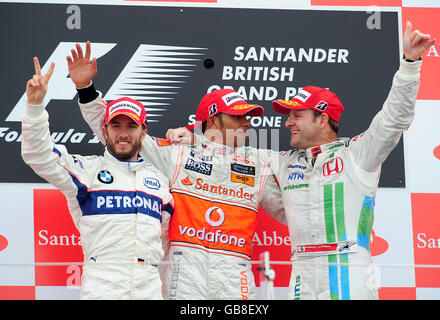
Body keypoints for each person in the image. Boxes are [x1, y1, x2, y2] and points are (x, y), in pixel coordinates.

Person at [69, 42, 286, 300]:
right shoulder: (177, 153)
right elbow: (118, 131)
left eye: (247, 117)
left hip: (235, 273)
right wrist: (86, 89)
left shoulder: (259, 162)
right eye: (238, 117)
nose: (247, 122)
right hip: (186, 273)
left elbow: (293, 208)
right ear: (213, 121)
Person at [269, 21, 435, 300]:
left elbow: (393, 119)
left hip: (348, 267)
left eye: (296, 116)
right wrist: (191, 137)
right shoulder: (281, 162)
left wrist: (409, 64)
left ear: (322, 119)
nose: (288, 123)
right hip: (301, 271)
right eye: (288, 116)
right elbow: (232, 158)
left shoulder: (357, 153)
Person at [21, 57, 174, 300]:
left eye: (131, 126)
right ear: (105, 130)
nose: (123, 133)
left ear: (143, 132)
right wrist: (35, 106)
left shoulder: (160, 182)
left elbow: (165, 240)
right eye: (116, 126)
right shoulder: (85, 171)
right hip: (103, 284)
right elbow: (38, 154)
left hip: (149, 287)